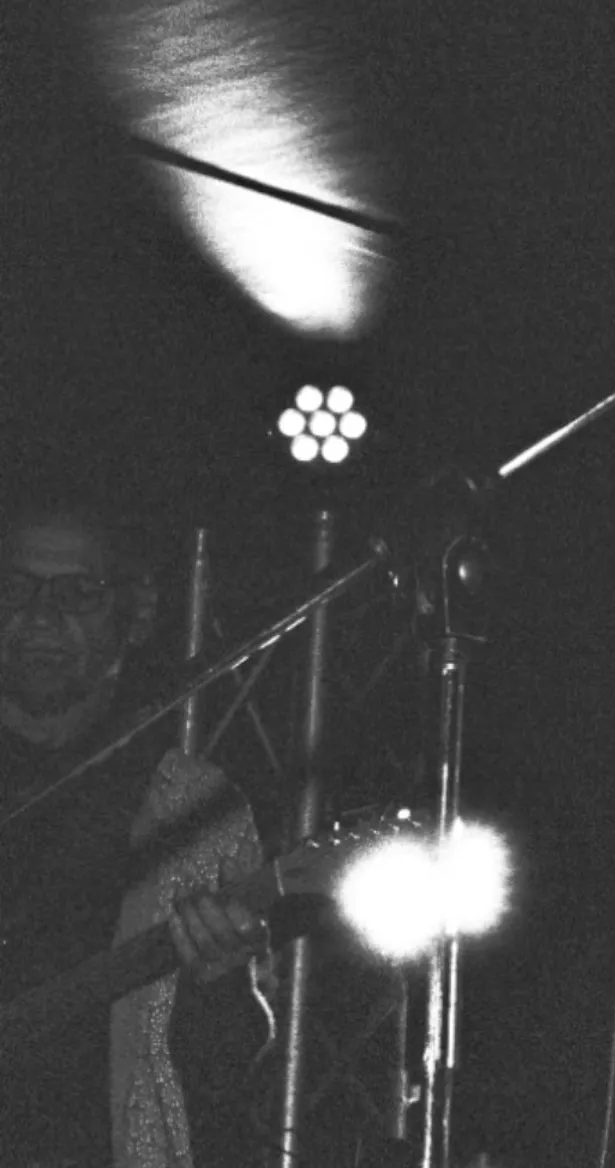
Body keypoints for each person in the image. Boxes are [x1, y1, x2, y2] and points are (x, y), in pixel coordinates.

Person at [0, 499, 269, 1168]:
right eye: (15, 587)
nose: (40, 616)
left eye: (78, 593)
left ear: (137, 614)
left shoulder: (194, 807)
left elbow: (231, 1070)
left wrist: (218, 981)